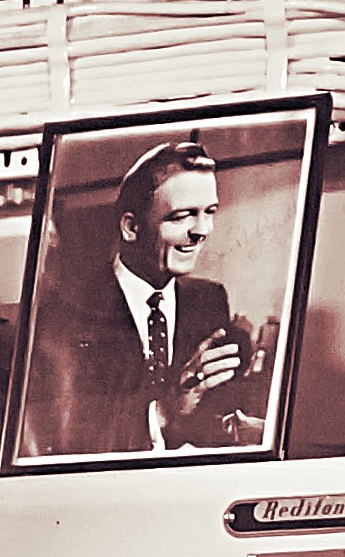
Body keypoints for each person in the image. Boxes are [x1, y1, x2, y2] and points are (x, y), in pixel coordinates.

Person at [17, 141, 274, 458]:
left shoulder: (209, 299)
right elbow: (67, 433)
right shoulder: (67, 309)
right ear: (131, 227)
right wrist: (165, 410)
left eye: (209, 213)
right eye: (182, 216)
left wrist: (239, 426)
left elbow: (211, 408)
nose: (202, 231)